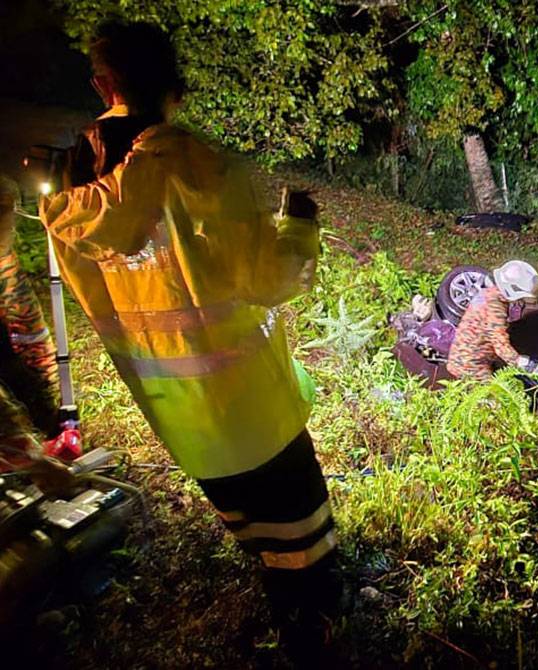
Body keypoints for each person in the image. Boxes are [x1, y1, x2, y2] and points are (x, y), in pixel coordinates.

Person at [38, 20, 336, 650]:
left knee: (246, 515)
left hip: (178, 411)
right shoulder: (204, 167)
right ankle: (313, 627)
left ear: (104, 85)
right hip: (252, 400)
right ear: (174, 86)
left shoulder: (72, 189)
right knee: (298, 522)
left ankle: (285, 604)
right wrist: (300, 227)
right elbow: (266, 279)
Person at [1, 177, 62, 464]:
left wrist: (50, 400)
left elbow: (28, 325)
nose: (11, 232)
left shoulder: (3, 261)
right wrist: (27, 455)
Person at [446, 260, 538, 381]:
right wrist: (529, 366)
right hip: (470, 364)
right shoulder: (495, 308)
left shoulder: (488, 293)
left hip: (465, 354)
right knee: (497, 391)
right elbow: (500, 345)